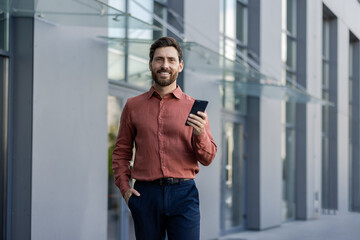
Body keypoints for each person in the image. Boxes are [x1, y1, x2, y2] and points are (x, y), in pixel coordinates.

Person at [112, 37, 217, 240]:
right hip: (145, 195)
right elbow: (121, 152)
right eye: (159, 60)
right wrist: (125, 189)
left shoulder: (193, 107)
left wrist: (200, 133)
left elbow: (208, 158)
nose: (165, 65)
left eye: (171, 60)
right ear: (150, 64)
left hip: (184, 195)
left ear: (180, 65)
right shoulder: (133, 106)